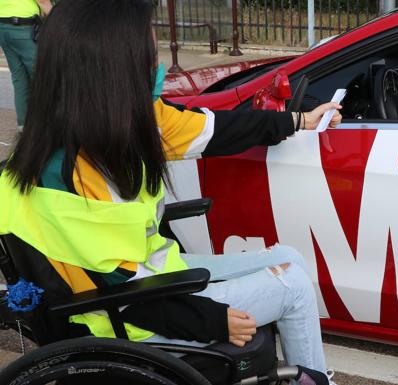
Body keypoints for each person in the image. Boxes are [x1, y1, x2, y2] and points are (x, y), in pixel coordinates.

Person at [0, 1, 341, 384]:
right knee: (292, 287)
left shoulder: (121, 123)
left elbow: (216, 128)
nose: (157, 64)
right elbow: (123, 295)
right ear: (116, 64)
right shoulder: (73, 174)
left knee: (287, 257)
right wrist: (210, 321)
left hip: (159, 280)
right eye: (149, 53)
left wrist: (297, 120)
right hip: (122, 321)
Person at [0, 0, 52, 131]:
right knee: (41, 76)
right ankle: (45, 125)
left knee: (19, 77)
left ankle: (23, 124)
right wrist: (57, 18)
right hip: (23, 28)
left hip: (3, 27)